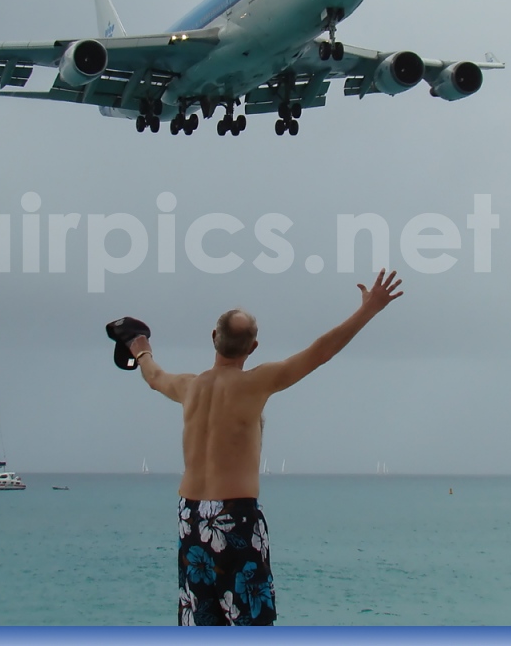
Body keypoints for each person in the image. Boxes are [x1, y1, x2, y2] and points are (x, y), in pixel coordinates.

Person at [127, 268, 404, 625]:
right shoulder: (256, 383)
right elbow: (321, 352)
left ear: (214, 337)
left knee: (200, 618)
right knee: (250, 621)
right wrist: (369, 309)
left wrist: (142, 349)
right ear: (253, 348)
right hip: (235, 516)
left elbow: (153, 377)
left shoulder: (188, 387)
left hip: (191, 518)